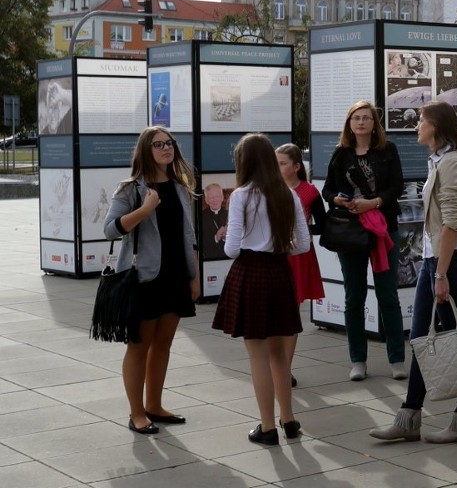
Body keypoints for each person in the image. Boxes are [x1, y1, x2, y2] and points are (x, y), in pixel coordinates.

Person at [370, 100, 457, 444]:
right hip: (437, 260)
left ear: (436, 125)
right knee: (423, 339)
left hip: (449, 261)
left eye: (421, 120)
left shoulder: (450, 162)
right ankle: (410, 418)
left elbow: (451, 223)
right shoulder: (440, 159)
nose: (416, 125)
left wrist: (440, 273)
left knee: (456, 339)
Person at [212, 133, 310, 446]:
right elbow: (304, 245)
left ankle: (267, 427)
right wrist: (279, 246)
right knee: (280, 354)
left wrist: (248, 242)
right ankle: (289, 420)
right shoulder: (288, 194)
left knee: (257, 355)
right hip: (280, 271)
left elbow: (231, 249)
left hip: (251, 272)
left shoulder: (242, 195)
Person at [103, 126, 200, 435]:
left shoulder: (179, 185)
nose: (166, 149)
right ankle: (136, 413)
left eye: (169, 143)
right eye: (158, 145)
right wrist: (145, 209)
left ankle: (154, 405)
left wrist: (194, 276)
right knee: (139, 346)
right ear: (146, 150)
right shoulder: (131, 188)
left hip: (175, 275)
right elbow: (110, 230)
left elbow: (189, 235)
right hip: (144, 277)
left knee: (164, 344)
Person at [321, 100, 407, 382]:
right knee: (354, 295)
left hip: (383, 228)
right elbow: (327, 189)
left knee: (387, 295)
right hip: (350, 230)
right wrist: (338, 200)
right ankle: (357, 360)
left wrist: (375, 202)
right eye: (356, 118)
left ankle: (397, 359)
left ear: (374, 123)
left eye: (366, 118)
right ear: (349, 123)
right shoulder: (340, 153)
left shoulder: (387, 150)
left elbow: (397, 185)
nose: (360, 122)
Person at [276, 143, 326, 388]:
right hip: (274, 255)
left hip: (298, 256)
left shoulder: (309, 192)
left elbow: (323, 226)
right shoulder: (269, 189)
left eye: (282, 163)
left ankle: (285, 368)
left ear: (296, 167)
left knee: (292, 313)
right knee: (275, 311)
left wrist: (302, 230)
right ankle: (276, 366)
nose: (277, 168)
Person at [201, 183, 228, 259]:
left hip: (228, 256)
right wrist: (216, 238)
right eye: (211, 197)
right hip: (210, 257)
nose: (215, 200)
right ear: (206, 200)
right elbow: (201, 243)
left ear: (222, 198)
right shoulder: (202, 216)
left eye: (217, 196)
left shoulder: (230, 214)